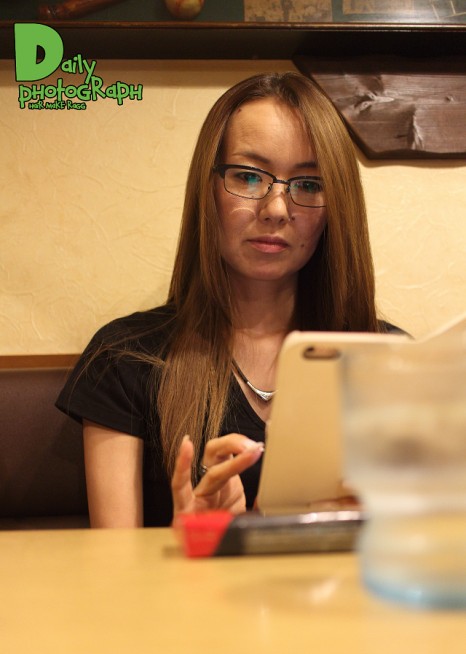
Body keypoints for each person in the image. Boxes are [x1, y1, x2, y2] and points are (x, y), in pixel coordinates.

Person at [56, 71, 400, 528]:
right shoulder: (124, 358)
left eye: (309, 185)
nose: (276, 209)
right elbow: (113, 566)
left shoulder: (392, 362)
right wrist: (193, 542)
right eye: (248, 176)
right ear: (209, 188)